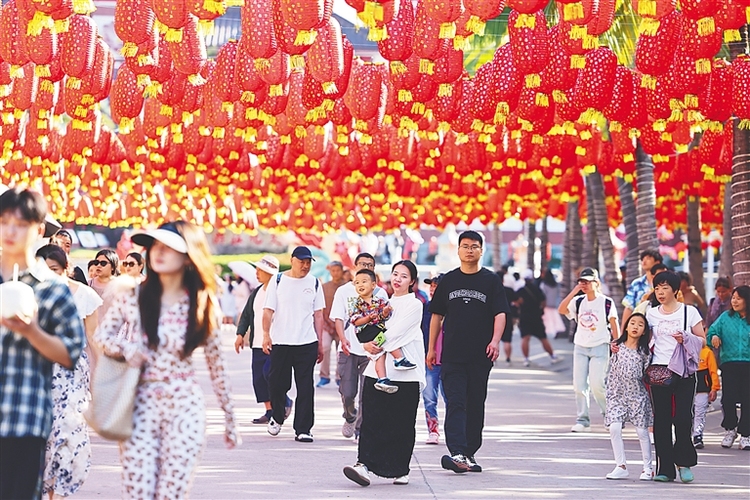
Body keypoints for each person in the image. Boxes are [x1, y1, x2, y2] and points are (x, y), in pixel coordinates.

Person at [94, 221, 240, 499]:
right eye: (153, 247)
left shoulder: (202, 302)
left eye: (167, 248)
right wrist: (125, 348)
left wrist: (230, 417)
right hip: (139, 404)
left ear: (188, 256)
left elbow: (216, 365)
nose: (157, 253)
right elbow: (101, 337)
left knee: (171, 493)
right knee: (138, 492)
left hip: (184, 406)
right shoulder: (133, 297)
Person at [0, 187, 85, 499]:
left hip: (25, 418)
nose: (10, 231)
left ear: (37, 230)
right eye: (3, 221)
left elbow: (70, 354)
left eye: (20, 224)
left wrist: (32, 331)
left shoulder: (51, 290)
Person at [427, 230, 509, 473]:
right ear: (458, 250)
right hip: (452, 355)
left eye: (474, 246)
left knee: (475, 404)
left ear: (481, 250)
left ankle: (470, 452)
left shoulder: (491, 281)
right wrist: (431, 348)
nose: (469, 250)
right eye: (465, 246)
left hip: (480, 356)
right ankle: (457, 452)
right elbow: (437, 316)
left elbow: (500, 313)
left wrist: (495, 341)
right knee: (456, 402)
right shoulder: (449, 281)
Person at [343, 260, 426, 487]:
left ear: (412, 282)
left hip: (406, 374)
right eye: (395, 274)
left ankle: (400, 468)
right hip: (377, 371)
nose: (398, 279)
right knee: (371, 420)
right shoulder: (382, 303)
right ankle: (364, 465)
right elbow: (363, 330)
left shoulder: (414, 305)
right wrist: (366, 345)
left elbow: (397, 334)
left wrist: (374, 344)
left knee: (401, 423)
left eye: (404, 276)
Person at [35, 245, 102, 499]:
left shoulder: (85, 295)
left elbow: (94, 338)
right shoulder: (30, 294)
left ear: (67, 269)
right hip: (39, 371)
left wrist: (103, 378)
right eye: (43, 270)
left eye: (54, 269)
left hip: (71, 373)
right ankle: (46, 488)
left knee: (68, 432)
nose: (49, 275)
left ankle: (60, 492)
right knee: (45, 435)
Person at [645, 271, 705, 483]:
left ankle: (684, 463)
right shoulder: (651, 314)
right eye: (657, 288)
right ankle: (665, 469)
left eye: (665, 288)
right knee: (661, 420)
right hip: (659, 370)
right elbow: (641, 338)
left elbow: (702, 340)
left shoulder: (690, 312)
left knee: (682, 418)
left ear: (675, 290)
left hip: (685, 371)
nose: (660, 292)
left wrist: (686, 338)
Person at [262, 246, 325, 443]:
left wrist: (320, 343)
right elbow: (268, 310)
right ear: (292, 260)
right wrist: (266, 334)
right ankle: (278, 416)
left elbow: (319, 314)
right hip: (281, 341)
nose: (305, 265)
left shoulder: (314, 283)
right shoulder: (278, 280)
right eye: (301, 261)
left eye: (308, 262)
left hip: (306, 342)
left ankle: (304, 428)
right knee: (277, 383)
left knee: (306, 386)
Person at [330, 253, 389, 441]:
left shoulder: (380, 293)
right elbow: (338, 318)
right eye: (362, 264)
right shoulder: (344, 291)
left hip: (370, 352)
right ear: (355, 266)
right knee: (347, 392)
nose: (366, 266)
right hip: (348, 350)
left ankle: (360, 429)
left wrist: (376, 346)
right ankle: (350, 415)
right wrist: (342, 338)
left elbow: (386, 325)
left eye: (370, 265)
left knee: (367, 393)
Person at [559, 267, 619, 432]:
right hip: (580, 347)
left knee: (597, 384)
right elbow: (562, 309)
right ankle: (582, 420)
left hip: (600, 346)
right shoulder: (578, 301)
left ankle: (609, 416)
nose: (583, 284)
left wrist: (617, 343)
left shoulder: (606, 302)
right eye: (581, 281)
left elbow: (614, 323)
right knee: (579, 385)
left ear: (596, 283)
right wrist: (575, 291)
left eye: (587, 281)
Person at [234, 255, 292, 424]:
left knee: (270, 375)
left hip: (276, 342)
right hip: (257, 342)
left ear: (270, 272)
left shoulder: (281, 291)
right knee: (259, 378)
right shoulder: (257, 292)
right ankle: (269, 410)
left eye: (260, 270)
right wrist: (240, 335)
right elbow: (246, 315)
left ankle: (284, 402)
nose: (257, 273)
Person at [350, 269, 417, 393]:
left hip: (375, 329)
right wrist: (367, 318)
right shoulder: (356, 303)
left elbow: (382, 317)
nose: (360, 285)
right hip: (365, 331)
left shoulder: (379, 301)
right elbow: (354, 321)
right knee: (385, 337)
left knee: (379, 354)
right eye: (357, 283)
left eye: (364, 282)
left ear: (373, 285)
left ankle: (382, 379)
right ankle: (399, 359)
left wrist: (385, 312)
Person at [604, 312, 653, 481]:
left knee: (642, 432)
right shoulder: (617, 346)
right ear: (626, 326)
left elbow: (646, 372)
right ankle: (621, 465)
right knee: (614, 428)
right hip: (617, 394)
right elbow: (611, 368)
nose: (635, 327)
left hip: (637, 396)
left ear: (644, 331)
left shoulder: (644, 352)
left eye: (640, 325)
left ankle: (648, 468)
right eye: (632, 323)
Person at [707, 285, 750, 451]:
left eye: (739, 298)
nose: (735, 301)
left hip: (748, 364)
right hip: (729, 363)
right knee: (728, 399)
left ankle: (746, 435)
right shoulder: (725, 317)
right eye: (733, 298)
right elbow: (711, 333)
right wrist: (715, 337)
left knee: (747, 400)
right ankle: (730, 430)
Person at [422, 273, 447, 445]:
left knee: (451, 398)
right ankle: (433, 430)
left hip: (448, 359)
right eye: (430, 286)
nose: (432, 289)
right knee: (429, 396)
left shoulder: (453, 308)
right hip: (429, 359)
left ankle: (454, 430)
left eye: (435, 286)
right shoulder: (425, 307)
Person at [517, 270, 559, 367]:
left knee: (525, 338)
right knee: (543, 338)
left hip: (524, 317)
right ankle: (552, 356)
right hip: (536, 317)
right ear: (532, 278)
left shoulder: (521, 291)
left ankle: (526, 359)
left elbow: (518, 302)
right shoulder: (537, 289)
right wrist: (541, 310)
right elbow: (543, 302)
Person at [318, 261, 347, 388]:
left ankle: (340, 376)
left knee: (341, 352)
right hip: (326, 324)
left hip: (342, 324)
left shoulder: (347, 287)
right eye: (333, 270)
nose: (335, 273)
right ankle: (324, 376)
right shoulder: (324, 287)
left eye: (338, 270)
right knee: (324, 347)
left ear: (342, 271)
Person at [621, 249, 663, 332]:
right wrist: (623, 331)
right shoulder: (637, 283)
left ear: (657, 262)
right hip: (639, 327)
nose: (644, 261)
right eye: (643, 259)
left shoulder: (665, 283)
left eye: (648, 258)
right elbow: (629, 307)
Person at [692, 342, 720, 449]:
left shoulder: (707, 352)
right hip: (687, 386)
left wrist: (714, 388)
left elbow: (713, 371)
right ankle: (685, 435)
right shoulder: (685, 349)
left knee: (700, 412)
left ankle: (697, 435)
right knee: (687, 413)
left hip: (702, 388)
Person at [88, 248, 120, 323]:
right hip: (92, 330)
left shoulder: (120, 286)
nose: (98, 266)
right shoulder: (88, 284)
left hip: (113, 330)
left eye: (103, 263)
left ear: (113, 267)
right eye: (96, 262)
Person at [539, 269, 565, 338]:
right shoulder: (556, 285)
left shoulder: (544, 284)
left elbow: (542, 295)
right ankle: (555, 332)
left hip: (546, 304)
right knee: (555, 319)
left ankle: (547, 332)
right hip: (554, 304)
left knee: (546, 319)